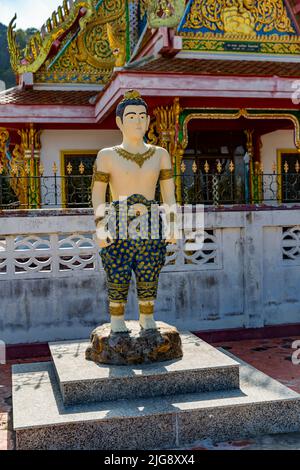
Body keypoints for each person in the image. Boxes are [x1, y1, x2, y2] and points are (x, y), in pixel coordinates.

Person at [91, 89, 178, 333]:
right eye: (131, 116)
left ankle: (146, 317)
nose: (138, 121)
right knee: (117, 272)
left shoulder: (160, 154)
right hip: (118, 220)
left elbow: (168, 194)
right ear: (119, 122)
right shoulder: (107, 156)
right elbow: (98, 193)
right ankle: (117, 321)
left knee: (149, 270)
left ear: (149, 121)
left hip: (150, 220)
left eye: (142, 116)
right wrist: (100, 226)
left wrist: (172, 224)